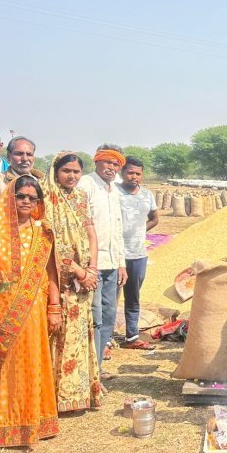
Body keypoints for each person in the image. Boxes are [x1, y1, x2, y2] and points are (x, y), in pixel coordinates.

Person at [0, 176, 61, 447]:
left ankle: (36, 423)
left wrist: (55, 307)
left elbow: (51, 272)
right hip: (1, 313)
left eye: (33, 198)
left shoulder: (43, 232)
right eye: (21, 197)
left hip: (35, 310)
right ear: (10, 197)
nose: (27, 202)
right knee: (6, 368)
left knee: (34, 363)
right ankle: (4, 427)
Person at [42, 152, 102, 411]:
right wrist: (79, 271)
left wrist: (93, 269)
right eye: (67, 170)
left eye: (77, 172)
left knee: (80, 333)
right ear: (56, 171)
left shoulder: (80, 197)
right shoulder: (46, 198)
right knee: (60, 334)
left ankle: (80, 392)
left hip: (84, 280)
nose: (72, 176)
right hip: (59, 278)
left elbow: (91, 233)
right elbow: (52, 243)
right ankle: (58, 396)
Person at [78, 144, 127, 377]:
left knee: (108, 314)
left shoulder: (114, 190)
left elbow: (117, 229)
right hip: (91, 265)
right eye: (108, 162)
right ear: (97, 161)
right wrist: (86, 266)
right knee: (94, 316)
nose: (111, 167)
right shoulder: (85, 185)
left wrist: (121, 262)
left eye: (116, 164)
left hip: (111, 264)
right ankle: (88, 370)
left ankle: (98, 367)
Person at [116, 156, 158, 350]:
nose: (134, 177)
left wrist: (140, 231)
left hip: (138, 254)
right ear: (122, 173)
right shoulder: (113, 192)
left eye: (138, 174)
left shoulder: (147, 195)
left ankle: (132, 337)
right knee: (111, 297)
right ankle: (106, 340)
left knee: (133, 297)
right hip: (116, 254)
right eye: (130, 172)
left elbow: (154, 218)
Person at [0, 136, 43, 227]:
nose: (25, 159)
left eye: (29, 154)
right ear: (8, 156)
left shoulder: (40, 183)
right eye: (19, 154)